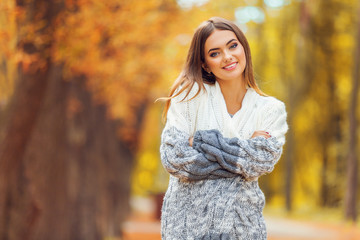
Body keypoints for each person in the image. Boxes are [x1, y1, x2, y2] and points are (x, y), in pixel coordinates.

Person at [159, 17, 288, 240]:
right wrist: (244, 150)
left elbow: (260, 161)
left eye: (232, 46)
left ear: (243, 47)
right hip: (186, 229)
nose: (227, 56)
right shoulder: (188, 97)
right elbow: (174, 157)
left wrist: (196, 142)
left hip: (243, 229)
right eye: (215, 53)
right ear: (204, 63)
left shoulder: (271, 109)